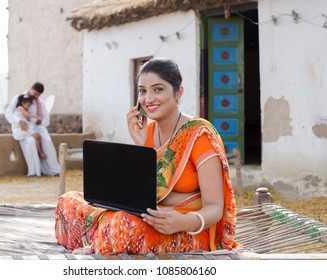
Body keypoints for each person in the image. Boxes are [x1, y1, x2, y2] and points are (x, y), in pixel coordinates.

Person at [55, 58, 238, 254]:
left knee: (121, 226)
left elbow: (215, 207)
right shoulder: (148, 132)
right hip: (148, 218)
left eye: (158, 89)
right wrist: (141, 147)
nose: (148, 99)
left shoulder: (199, 135)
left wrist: (183, 221)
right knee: (69, 201)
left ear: (178, 93)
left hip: (187, 229)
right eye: (143, 91)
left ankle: (99, 241)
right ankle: (102, 240)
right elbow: (141, 196)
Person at [5, 82, 60, 177]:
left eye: (38, 95)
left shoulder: (40, 102)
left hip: (36, 128)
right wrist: (19, 121)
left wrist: (39, 122)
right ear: (31, 88)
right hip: (22, 129)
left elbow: (46, 120)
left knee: (46, 140)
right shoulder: (18, 98)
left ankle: (53, 171)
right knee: (30, 142)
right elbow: (8, 113)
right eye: (35, 93)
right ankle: (34, 172)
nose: (36, 96)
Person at [12, 95, 46, 159]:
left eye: (29, 105)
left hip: (25, 128)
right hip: (20, 130)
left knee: (38, 136)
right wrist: (37, 116)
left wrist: (30, 117)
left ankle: (40, 151)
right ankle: (40, 152)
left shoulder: (25, 111)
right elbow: (27, 115)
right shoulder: (20, 108)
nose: (28, 107)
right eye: (28, 105)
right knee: (36, 136)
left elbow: (28, 118)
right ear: (22, 103)